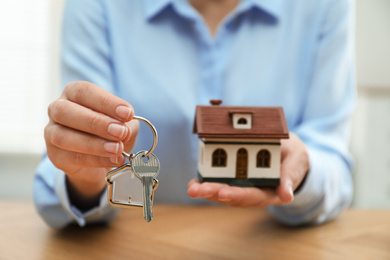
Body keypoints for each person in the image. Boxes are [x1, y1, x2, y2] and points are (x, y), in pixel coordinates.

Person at [34, 0, 356, 229]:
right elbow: (57, 185)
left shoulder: (325, 5)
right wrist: (85, 175)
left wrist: (300, 174)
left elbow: (334, 167)